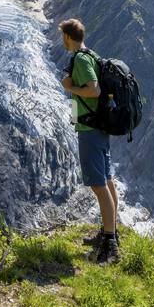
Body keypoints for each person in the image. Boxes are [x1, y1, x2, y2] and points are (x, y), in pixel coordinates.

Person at [59, 18, 120, 264]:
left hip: (90, 129)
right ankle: (110, 233)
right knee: (106, 179)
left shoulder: (82, 60)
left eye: (62, 36)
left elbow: (93, 90)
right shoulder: (90, 55)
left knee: (98, 185)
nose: (61, 40)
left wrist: (70, 87)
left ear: (68, 37)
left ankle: (111, 245)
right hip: (99, 128)